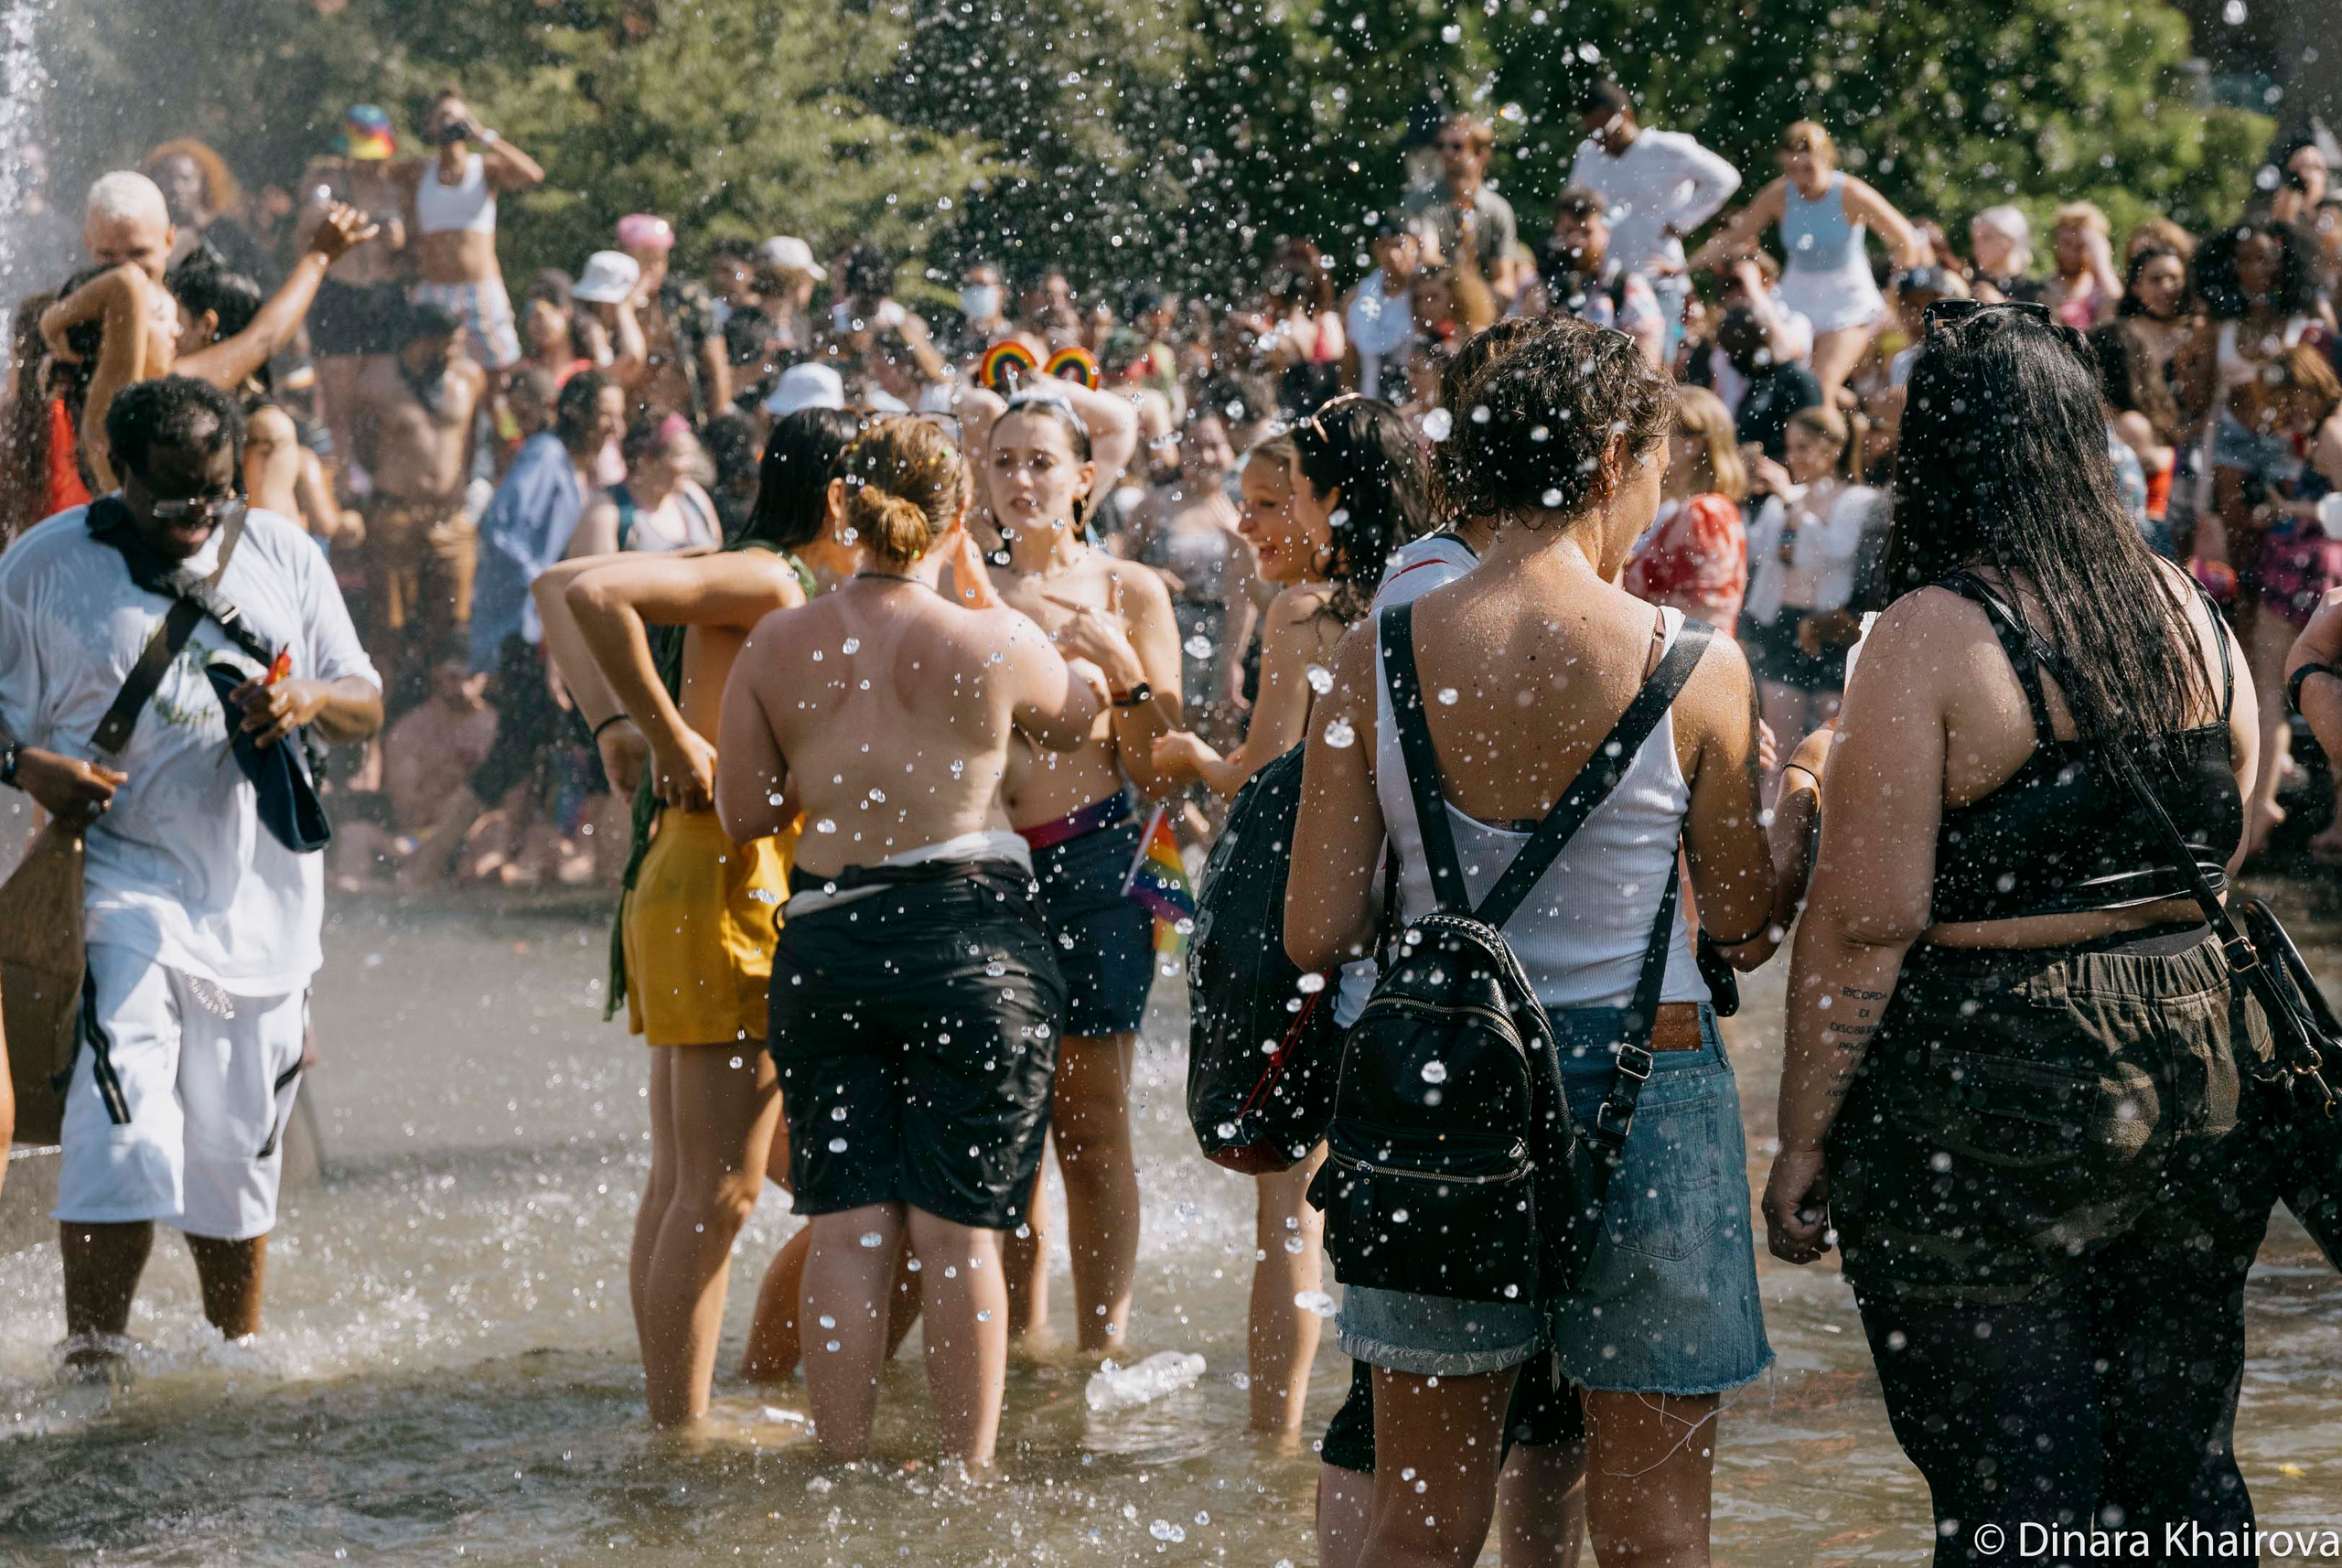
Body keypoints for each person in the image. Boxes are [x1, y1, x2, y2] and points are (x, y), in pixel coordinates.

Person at [1764, 300, 2267, 1567]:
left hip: (1992, 1082)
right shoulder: (2188, 606)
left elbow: (1866, 925)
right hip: (2204, 1060)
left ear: (1939, 450)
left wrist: (1803, 1137)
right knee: (2181, 1466)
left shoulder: (1934, 630)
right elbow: (2231, 838)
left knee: (2014, 1481)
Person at [1287, 314, 1780, 1568]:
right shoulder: (1694, 665)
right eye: (1659, 463)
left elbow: (1317, 926)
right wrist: (1808, 805)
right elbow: (1742, 922)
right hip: (1647, 1085)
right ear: (1612, 454)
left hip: (1438, 1095)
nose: (1660, 494)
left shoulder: (1372, 652)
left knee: (1423, 1527)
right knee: (1657, 1537)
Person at [711, 416, 1136, 1470]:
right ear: (959, 516)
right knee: (960, 1233)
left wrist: (829, 766)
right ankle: (967, 1473)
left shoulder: (777, 642)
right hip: (973, 943)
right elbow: (1083, 722)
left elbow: (743, 814)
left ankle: (841, 1460)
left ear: (844, 511)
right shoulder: (994, 641)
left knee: (849, 1221)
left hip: (831, 938)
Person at [0, 377, 383, 1366]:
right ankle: (93, 1363)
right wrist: (25, 764)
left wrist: (305, 697)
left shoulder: (279, 552)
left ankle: (233, 1357)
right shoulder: (44, 568)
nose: (193, 516)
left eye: (211, 492)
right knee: (120, 1128)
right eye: (169, 496)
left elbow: (365, 699)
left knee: (233, 1157)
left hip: (263, 907)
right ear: (113, 474)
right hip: (120, 887)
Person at [529, 411, 852, 1426]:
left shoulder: (754, 567)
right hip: (726, 876)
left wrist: (618, 723)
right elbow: (586, 589)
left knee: (685, 1181)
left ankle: (671, 1407)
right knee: (718, 1190)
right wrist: (659, 733)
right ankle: (681, 1427)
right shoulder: (770, 579)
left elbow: (552, 588)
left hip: (689, 870)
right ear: (841, 496)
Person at [977, 389, 1183, 1358]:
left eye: (1040, 461)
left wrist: (1120, 669)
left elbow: (1164, 763)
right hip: (984, 869)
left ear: (1084, 477)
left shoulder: (1129, 590)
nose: (1021, 479)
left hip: (1099, 859)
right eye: (1004, 460)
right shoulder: (960, 589)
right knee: (1008, 1125)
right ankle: (1023, 1341)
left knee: (1091, 1123)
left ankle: (1102, 1344)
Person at [401, 371, 625, 890]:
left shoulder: (571, 465)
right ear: (577, 413)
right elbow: (499, 527)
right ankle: (433, 863)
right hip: (524, 631)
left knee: (527, 747)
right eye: (607, 412)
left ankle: (447, 862)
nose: (615, 423)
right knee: (548, 743)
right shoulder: (546, 454)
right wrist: (547, 590)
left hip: (542, 630)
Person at [1689, 121, 1925, 410]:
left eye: (1808, 169)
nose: (1801, 179)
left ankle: (1840, 437)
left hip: (1848, 304)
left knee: (1819, 388)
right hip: (1797, 302)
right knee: (1789, 388)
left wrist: (1895, 294)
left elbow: (1905, 239)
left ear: (1826, 159)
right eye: (1792, 170)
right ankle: (1853, 418)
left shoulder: (1850, 193)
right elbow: (1734, 236)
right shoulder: (1778, 194)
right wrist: (1684, 266)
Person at [349, 301, 487, 707]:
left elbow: (473, 439)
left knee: (453, 628)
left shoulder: (470, 378)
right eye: (446, 345)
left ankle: (438, 719)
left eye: (459, 344)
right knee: (386, 628)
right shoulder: (375, 383)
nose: (453, 354)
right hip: (395, 516)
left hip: (452, 519)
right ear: (419, 341)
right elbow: (365, 448)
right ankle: (374, 726)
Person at [1741, 405, 1881, 756]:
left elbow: (1837, 550)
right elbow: (1755, 551)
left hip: (1829, 629)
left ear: (1833, 449)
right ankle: (1773, 811)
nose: (1793, 457)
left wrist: (1790, 498)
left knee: (1831, 751)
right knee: (1779, 747)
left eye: (1803, 447)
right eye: (1790, 447)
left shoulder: (1858, 499)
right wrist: (1744, 492)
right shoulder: (1786, 499)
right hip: (1782, 625)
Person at [1570, 80, 1743, 338]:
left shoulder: (1666, 148)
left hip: (1657, 279)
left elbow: (1725, 178)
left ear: (1626, 115)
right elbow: (1573, 205)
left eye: (1603, 131)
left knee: (1655, 370)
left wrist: (1681, 222)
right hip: (1605, 284)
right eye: (1591, 134)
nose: (1600, 141)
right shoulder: (1589, 155)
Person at [1117, 411, 1252, 743]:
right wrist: (1152, 576)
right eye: (1195, 447)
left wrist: (1235, 658)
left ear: (1230, 451)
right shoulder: (1155, 505)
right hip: (1170, 629)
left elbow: (1247, 589)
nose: (1205, 456)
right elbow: (1120, 570)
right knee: (1174, 728)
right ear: (1181, 452)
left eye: (1215, 446)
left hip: (1227, 632)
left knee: (1224, 732)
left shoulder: (1242, 505)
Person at [298, 106, 415, 479]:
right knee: (338, 398)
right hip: (340, 294)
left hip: (383, 297)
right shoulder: (328, 181)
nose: (367, 165)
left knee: (381, 395)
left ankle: (378, 477)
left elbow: (413, 245)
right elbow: (309, 223)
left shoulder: (394, 187)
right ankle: (343, 481)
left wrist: (399, 239)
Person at [399, 87, 545, 380]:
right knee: (427, 374)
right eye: (442, 117)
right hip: (434, 289)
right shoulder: (417, 173)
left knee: (502, 375)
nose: (449, 123)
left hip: (480, 288)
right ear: (429, 125)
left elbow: (533, 175)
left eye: (456, 117)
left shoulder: (485, 168)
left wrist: (483, 135)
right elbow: (373, 172)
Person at [1624, 385, 1752, 634]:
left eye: (1659, 437)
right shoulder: (1711, 509)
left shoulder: (1704, 514)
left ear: (1692, 446)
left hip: (1681, 666)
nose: (1647, 447)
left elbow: (1698, 620)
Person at [1534, 185, 1664, 366]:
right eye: (1569, 231)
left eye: (1587, 232)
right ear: (1557, 231)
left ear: (1606, 233)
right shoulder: (1541, 283)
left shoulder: (1627, 286)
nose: (1578, 241)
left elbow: (1648, 364)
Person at [1402, 114, 1520, 306]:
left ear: (1481, 155)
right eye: (1440, 145)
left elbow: (1505, 282)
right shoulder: (1420, 201)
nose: (1446, 153)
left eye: (1457, 146)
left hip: (1482, 308)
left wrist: (1479, 306)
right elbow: (1427, 258)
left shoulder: (1498, 209)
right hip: (1428, 306)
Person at [566, 413, 720, 557]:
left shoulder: (694, 498)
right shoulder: (606, 512)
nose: (690, 465)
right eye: (680, 455)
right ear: (646, 458)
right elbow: (590, 582)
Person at [141, 139, 267, 280]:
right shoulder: (151, 234)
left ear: (204, 183)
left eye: (186, 179)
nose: (176, 187)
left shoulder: (230, 234)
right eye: (167, 178)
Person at [1715, 301, 1822, 462]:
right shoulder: (1759, 382)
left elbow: (1813, 447)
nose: (1732, 361)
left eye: (1737, 350)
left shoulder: (1799, 381)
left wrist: (1768, 465)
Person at [1343, 219, 1423, 401]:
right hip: (1372, 404)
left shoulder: (1428, 292)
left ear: (1416, 245)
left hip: (1418, 407)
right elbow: (1349, 364)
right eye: (1383, 246)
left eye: (1399, 245)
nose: (1392, 254)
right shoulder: (1361, 296)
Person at [2047, 201, 2122, 330]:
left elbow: (2122, 311)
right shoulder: (2042, 290)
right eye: (2067, 244)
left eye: (2081, 246)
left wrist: (2104, 268)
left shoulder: (2104, 290)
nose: (2072, 253)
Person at [1967, 205, 2037, 304]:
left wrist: (2000, 306)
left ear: (2009, 241)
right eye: (1974, 240)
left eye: (1986, 238)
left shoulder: (2033, 290)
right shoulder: (1969, 283)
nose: (1978, 246)